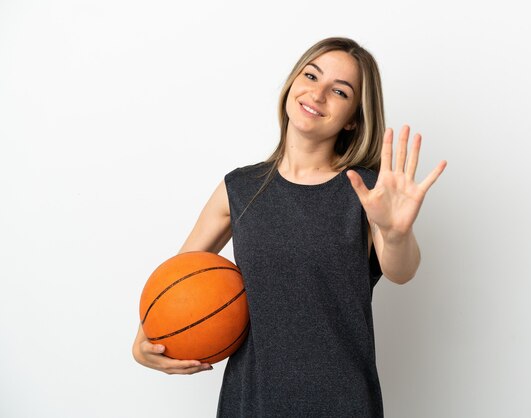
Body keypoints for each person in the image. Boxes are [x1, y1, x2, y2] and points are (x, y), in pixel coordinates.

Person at [132, 36, 447, 417]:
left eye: (340, 91)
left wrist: (397, 234)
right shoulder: (239, 188)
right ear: (292, 83)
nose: (318, 93)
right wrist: (145, 339)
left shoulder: (366, 191)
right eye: (311, 75)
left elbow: (402, 270)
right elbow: (176, 282)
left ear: (353, 119)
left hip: (343, 404)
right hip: (252, 404)